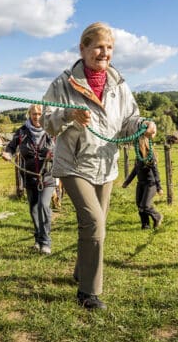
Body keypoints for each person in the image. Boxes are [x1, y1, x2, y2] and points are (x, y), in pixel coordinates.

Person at [41, 22, 156, 310]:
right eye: (98, 47)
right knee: (94, 222)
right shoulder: (63, 83)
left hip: (106, 165)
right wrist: (68, 114)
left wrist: (143, 125)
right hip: (73, 165)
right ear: (83, 48)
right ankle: (88, 293)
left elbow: (129, 118)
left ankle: (81, 272)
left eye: (109, 48)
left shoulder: (118, 84)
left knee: (97, 225)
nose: (104, 53)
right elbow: (47, 122)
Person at [2, 104, 56, 255]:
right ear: (29, 115)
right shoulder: (22, 132)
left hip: (47, 176)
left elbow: (61, 148)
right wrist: (8, 153)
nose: (37, 117)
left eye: (40, 113)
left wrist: (54, 154)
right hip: (29, 177)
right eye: (34, 114)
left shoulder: (51, 131)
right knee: (33, 209)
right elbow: (11, 147)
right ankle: (38, 239)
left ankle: (46, 242)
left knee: (43, 206)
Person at [121, 135, 164, 229]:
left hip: (150, 184)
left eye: (137, 144)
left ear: (143, 144)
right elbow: (135, 170)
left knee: (145, 205)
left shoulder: (150, 155)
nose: (135, 146)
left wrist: (159, 187)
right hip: (141, 184)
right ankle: (145, 225)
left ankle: (157, 216)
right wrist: (127, 182)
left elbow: (156, 172)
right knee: (139, 204)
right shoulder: (138, 156)